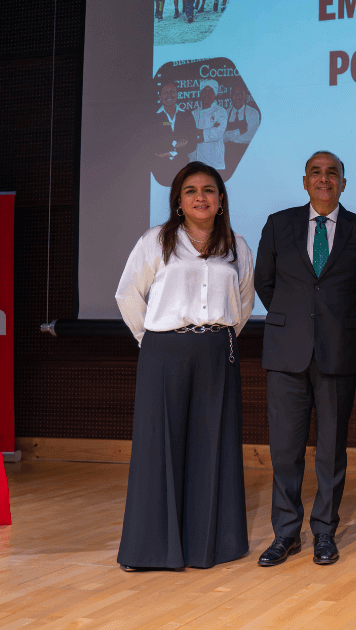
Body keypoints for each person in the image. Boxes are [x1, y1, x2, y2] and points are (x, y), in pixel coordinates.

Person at [114, 160, 255, 570]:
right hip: (164, 351)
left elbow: (244, 302)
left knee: (214, 446)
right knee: (159, 448)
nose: (200, 197)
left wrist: (215, 336)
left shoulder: (237, 245)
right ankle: (151, 550)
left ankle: (208, 547)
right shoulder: (156, 241)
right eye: (191, 191)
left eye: (208, 190)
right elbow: (127, 295)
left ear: (221, 199)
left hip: (217, 353)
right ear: (178, 200)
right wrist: (152, 341)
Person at [254, 151, 356, 567]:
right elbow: (265, 282)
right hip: (286, 353)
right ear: (305, 181)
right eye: (316, 172)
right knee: (284, 450)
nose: (324, 178)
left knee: (331, 450)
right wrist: (295, 323)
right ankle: (285, 534)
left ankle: (325, 531)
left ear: (343, 182)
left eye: (332, 173)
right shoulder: (279, 224)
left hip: (338, 352)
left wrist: (337, 325)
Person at [152, 81, 192, 187]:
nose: (169, 95)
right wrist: (177, 144)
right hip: (159, 170)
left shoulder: (187, 116)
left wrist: (167, 151)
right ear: (160, 96)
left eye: (172, 91)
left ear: (178, 94)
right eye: (165, 92)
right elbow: (154, 145)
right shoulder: (153, 118)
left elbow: (192, 144)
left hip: (183, 168)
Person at [190, 79, 228, 172]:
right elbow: (190, 134)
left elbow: (218, 133)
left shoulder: (220, 111)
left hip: (214, 162)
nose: (207, 94)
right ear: (200, 94)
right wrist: (210, 130)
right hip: (196, 161)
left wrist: (199, 133)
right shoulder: (194, 113)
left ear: (215, 94)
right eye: (204, 91)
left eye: (210, 91)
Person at [223, 87, 260, 178]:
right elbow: (221, 137)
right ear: (231, 96)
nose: (238, 97)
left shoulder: (253, 113)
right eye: (235, 94)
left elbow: (250, 136)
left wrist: (229, 135)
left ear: (245, 96)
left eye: (240, 94)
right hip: (228, 156)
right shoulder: (225, 113)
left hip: (247, 154)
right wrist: (239, 131)